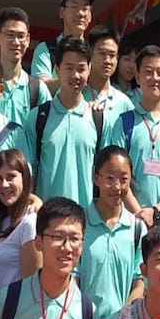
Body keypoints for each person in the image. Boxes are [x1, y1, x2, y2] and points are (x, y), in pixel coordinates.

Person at [104, 44, 160, 227]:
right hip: (128, 224)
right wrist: (140, 214)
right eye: (148, 72)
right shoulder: (124, 123)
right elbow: (117, 175)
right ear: (138, 76)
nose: (155, 78)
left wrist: (157, 211)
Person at [0, 196, 95, 319]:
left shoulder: (87, 311)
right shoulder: (6, 301)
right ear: (38, 243)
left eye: (74, 239)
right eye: (58, 237)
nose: (67, 247)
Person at [17, 37, 100, 204]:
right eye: (68, 68)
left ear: (89, 70)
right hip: (46, 219)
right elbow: (27, 173)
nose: (75, 75)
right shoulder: (37, 117)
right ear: (57, 69)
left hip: (84, 221)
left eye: (81, 68)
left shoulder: (98, 118)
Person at [77, 146, 144, 319]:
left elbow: (139, 283)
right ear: (96, 178)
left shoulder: (137, 228)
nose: (116, 186)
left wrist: (121, 318)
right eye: (109, 178)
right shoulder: (79, 224)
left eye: (123, 179)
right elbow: (72, 280)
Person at [0, 149, 41, 296]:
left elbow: (32, 287)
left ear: (24, 178)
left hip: (13, 315)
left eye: (11, 177)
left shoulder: (30, 222)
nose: (4, 184)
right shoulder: (3, 219)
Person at [0, 7, 51, 126]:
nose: (16, 42)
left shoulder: (37, 89)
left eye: (21, 36)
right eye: (10, 35)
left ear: (28, 39)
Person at [31, 0, 95, 87]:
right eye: (74, 6)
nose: (80, 13)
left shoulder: (95, 53)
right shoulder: (46, 50)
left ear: (90, 16)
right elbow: (41, 89)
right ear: (61, 12)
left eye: (85, 8)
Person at [113, 36, 142, 105]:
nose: (131, 66)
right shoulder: (107, 88)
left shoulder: (140, 96)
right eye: (127, 59)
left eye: (135, 61)